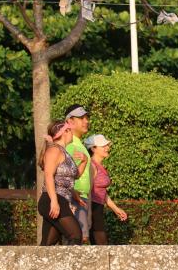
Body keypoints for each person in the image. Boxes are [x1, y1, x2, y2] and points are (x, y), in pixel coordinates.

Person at [37, 120, 88, 245]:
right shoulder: (54, 150)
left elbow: (75, 176)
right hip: (52, 199)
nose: (72, 134)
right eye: (70, 130)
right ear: (65, 131)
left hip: (61, 199)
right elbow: (48, 175)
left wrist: (84, 161)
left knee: (48, 243)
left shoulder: (64, 152)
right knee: (75, 236)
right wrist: (54, 201)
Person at [85, 133, 128, 244]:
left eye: (107, 145)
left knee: (98, 244)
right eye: (103, 146)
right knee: (101, 244)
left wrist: (116, 209)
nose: (107, 148)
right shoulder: (92, 166)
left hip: (97, 207)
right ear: (93, 148)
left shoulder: (100, 166)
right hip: (92, 207)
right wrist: (89, 213)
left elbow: (102, 192)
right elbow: (87, 190)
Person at [64, 104, 93, 243]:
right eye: (81, 118)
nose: (86, 121)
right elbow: (63, 174)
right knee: (77, 239)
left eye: (87, 118)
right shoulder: (70, 145)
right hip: (74, 197)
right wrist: (72, 192)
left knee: (79, 239)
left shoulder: (79, 144)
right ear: (70, 121)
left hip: (81, 197)